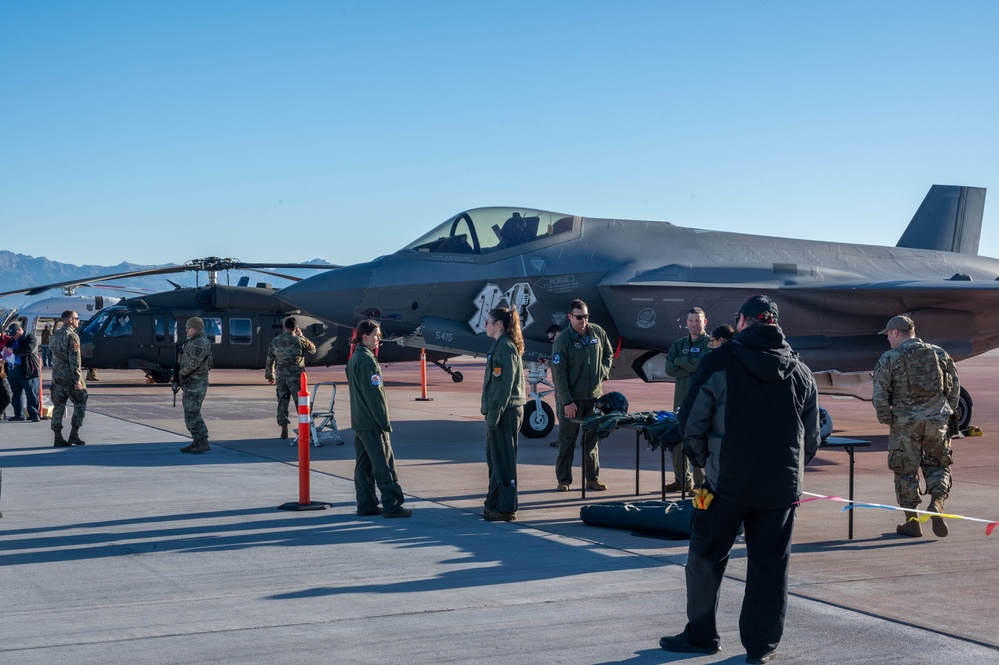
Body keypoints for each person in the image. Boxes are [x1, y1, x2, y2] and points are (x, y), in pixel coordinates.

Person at [661, 295, 820, 664]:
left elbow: (691, 422)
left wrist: (706, 463)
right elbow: (811, 437)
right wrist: (788, 471)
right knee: (770, 568)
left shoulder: (720, 361)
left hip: (725, 484)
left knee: (705, 557)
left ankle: (701, 636)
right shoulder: (800, 371)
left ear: (744, 321)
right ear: (775, 324)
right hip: (779, 490)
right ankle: (761, 648)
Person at [873, 315, 960, 538]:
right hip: (937, 422)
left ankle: (912, 522)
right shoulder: (939, 353)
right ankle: (937, 504)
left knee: (904, 472)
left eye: (888, 335)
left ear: (895, 333)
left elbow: (880, 395)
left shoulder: (890, 357)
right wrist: (944, 413)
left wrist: (888, 419)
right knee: (939, 466)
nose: (887, 340)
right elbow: (954, 387)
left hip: (905, 424)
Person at [345, 319, 411, 518]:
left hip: (359, 421)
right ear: (364, 336)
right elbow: (375, 396)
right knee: (384, 464)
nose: (378, 339)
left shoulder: (354, 358)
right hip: (372, 422)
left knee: (363, 467)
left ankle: (366, 504)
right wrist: (384, 422)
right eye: (375, 335)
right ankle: (393, 505)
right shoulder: (367, 360)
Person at [550, 298, 613, 492]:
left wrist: (601, 372)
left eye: (585, 316)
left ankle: (592, 478)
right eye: (579, 317)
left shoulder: (597, 332)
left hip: (593, 398)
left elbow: (608, 355)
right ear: (570, 317)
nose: (583, 321)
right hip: (571, 399)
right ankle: (564, 479)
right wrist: (567, 401)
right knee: (567, 440)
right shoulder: (563, 340)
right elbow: (558, 373)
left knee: (591, 441)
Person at [480, 307, 527, 521]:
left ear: (498, 324)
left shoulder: (505, 348)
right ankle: (494, 503)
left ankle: (508, 508)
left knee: (504, 460)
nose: (485, 326)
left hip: (505, 412)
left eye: (488, 322)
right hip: (500, 411)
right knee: (495, 459)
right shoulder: (500, 346)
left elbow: (502, 387)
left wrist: (493, 415)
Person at [663, 307, 711, 492]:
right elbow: (669, 369)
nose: (694, 324)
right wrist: (693, 366)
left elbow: (704, 366)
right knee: (678, 442)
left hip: (701, 404)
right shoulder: (678, 344)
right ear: (686, 323)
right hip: (680, 403)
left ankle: (699, 484)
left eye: (697, 321)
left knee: (698, 443)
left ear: (704, 322)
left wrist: (681, 362)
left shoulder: (709, 344)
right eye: (691, 321)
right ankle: (681, 480)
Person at [264, 317, 317, 439]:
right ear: (296, 327)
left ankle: (284, 429)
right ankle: (306, 428)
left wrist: (269, 375)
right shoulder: (300, 340)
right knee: (301, 403)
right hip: (296, 378)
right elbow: (313, 350)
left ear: (284, 327)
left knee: (283, 401)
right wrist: (302, 336)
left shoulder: (275, 340)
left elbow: (269, 359)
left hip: (281, 377)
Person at [49, 310, 88, 447]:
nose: (78, 321)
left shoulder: (55, 336)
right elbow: (74, 359)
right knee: (80, 402)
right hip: (70, 377)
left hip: (57, 377)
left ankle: (57, 437)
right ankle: (74, 434)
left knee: (58, 406)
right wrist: (78, 379)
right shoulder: (72, 336)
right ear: (70, 320)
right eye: (77, 318)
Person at [177, 317, 213, 454]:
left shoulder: (200, 343)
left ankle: (203, 440)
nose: (186, 329)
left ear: (197, 328)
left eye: (189, 327)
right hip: (190, 382)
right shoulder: (192, 342)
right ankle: (196, 440)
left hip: (196, 383)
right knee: (189, 413)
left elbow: (194, 363)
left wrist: (180, 373)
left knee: (193, 413)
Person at [4, 322, 42, 422]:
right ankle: (19, 414)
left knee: (31, 393)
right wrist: (7, 352)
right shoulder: (12, 340)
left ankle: (34, 414)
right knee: (15, 394)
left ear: (20, 330)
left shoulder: (30, 338)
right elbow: (5, 351)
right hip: (13, 370)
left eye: (15, 335)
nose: (13, 337)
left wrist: (13, 351)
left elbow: (28, 349)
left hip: (28, 370)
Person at [545, 324, 563, 449]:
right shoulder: (559, 346)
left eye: (552, 338)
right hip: (560, 386)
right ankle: (563, 440)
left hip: (564, 387)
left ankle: (566, 442)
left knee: (563, 415)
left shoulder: (564, 345)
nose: (552, 341)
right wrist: (549, 363)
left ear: (558, 333)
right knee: (560, 414)